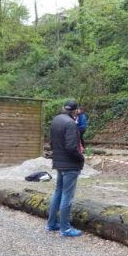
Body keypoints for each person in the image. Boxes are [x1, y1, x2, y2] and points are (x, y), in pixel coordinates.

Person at [46, 100, 84, 237]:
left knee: (58, 192)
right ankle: (65, 228)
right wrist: (81, 158)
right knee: (67, 196)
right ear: (75, 111)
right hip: (70, 165)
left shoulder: (56, 120)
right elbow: (71, 147)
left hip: (58, 162)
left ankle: (51, 224)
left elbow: (51, 142)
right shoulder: (71, 124)